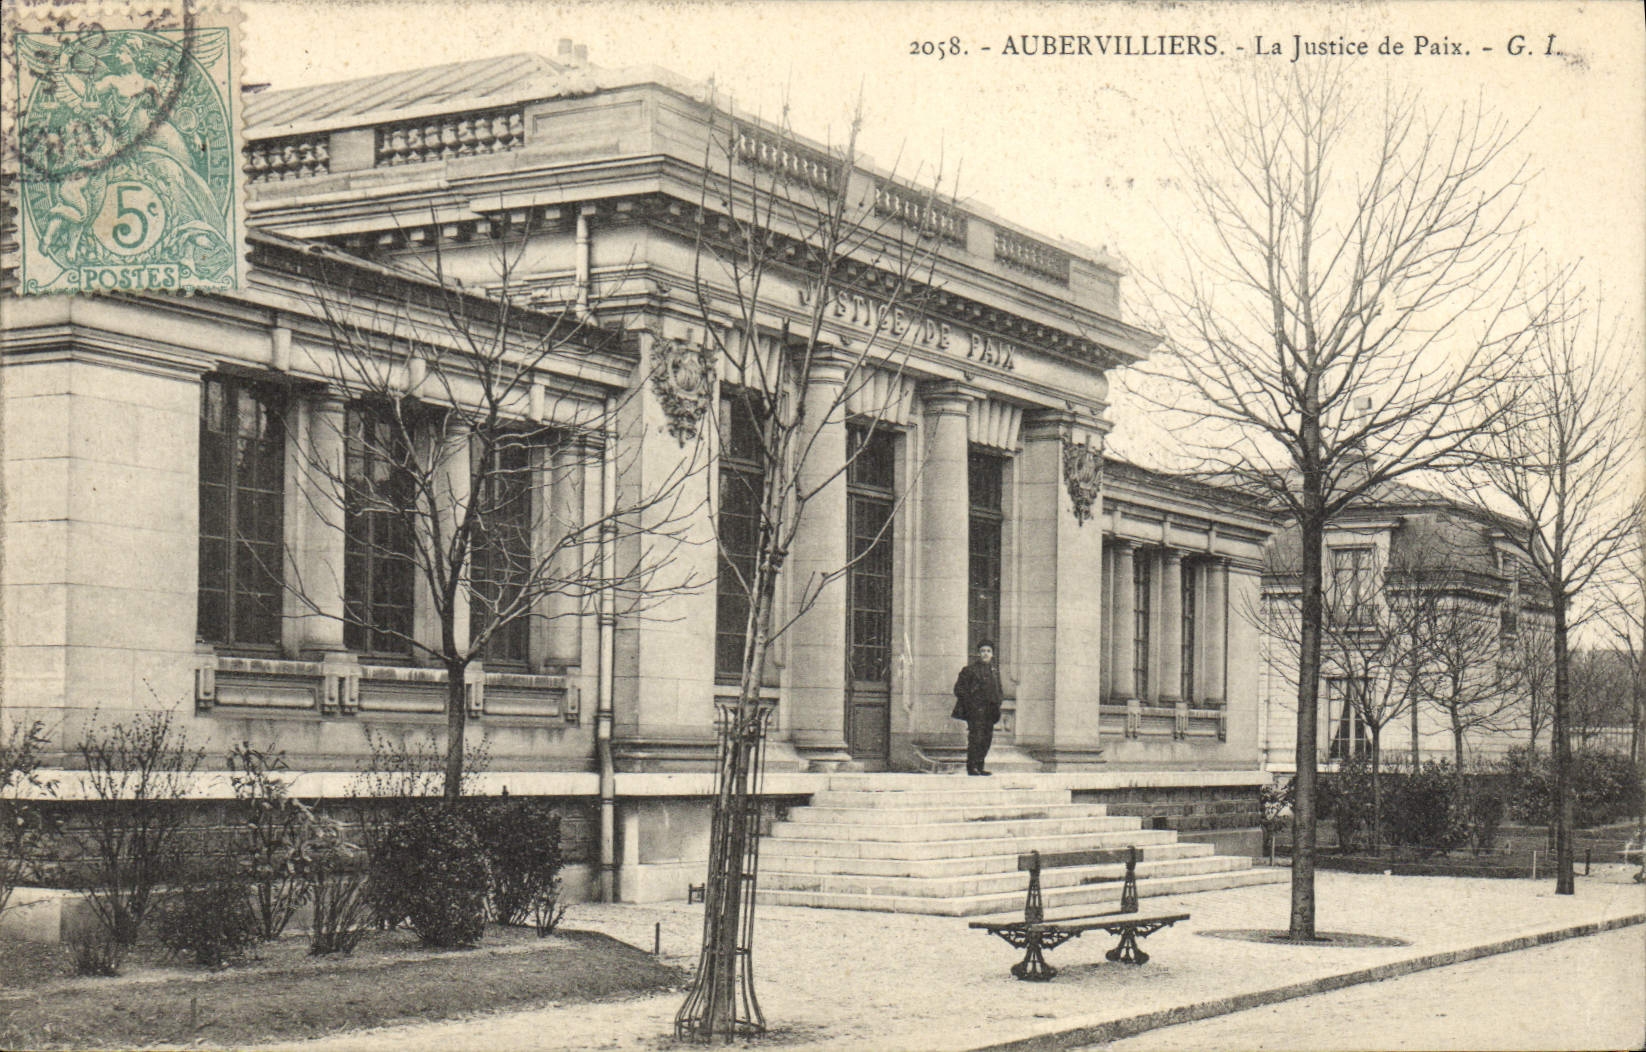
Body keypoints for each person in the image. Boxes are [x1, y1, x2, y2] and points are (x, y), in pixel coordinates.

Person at [952, 640, 1003, 776]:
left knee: (986, 739)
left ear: (992, 654)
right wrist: (971, 703)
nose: (985, 654)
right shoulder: (970, 670)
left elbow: (999, 690)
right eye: (983, 651)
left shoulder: (994, 671)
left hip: (989, 712)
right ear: (978, 653)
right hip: (975, 711)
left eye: (988, 651)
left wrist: (998, 703)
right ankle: (972, 766)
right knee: (976, 738)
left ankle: (980, 766)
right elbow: (958, 689)